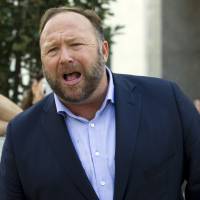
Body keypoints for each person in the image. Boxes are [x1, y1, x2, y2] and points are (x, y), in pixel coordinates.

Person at [0, 6, 200, 200]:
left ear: (104, 51)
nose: (65, 57)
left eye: (76, 44)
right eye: (52, 50)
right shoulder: (21, 134)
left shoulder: (166, 100)